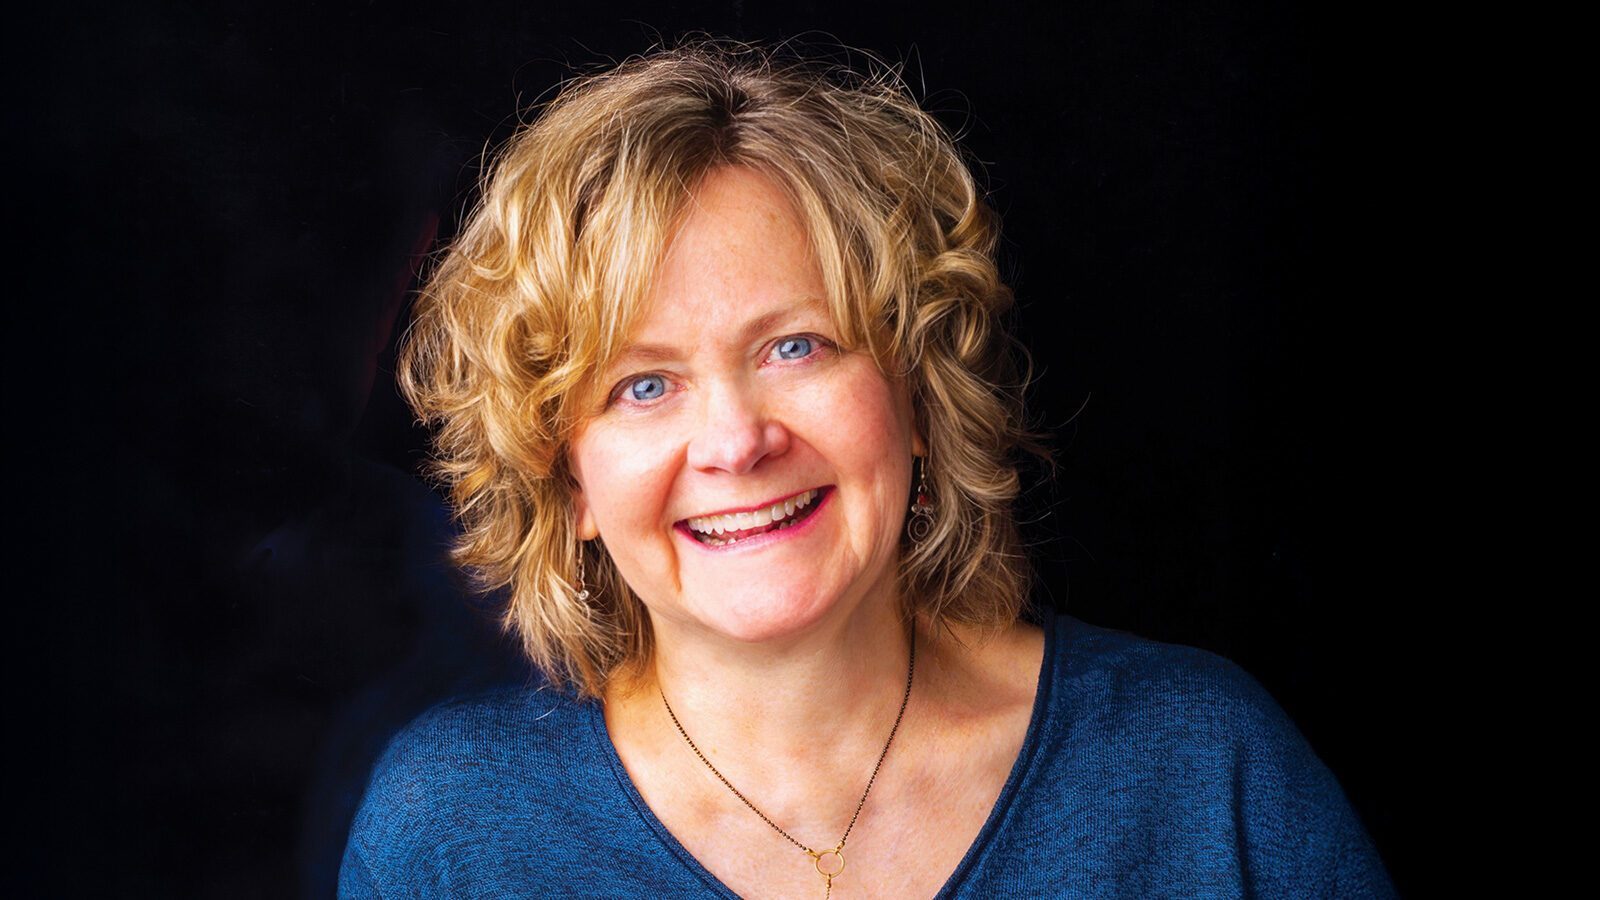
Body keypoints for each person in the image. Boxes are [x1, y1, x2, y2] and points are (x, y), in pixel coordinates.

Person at [339, 41, 1394, 898]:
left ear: (919, 394)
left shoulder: (1201, 767)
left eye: (795, 346)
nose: (737, 440)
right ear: (566, 483)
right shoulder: (449, 834)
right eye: (642, 386)